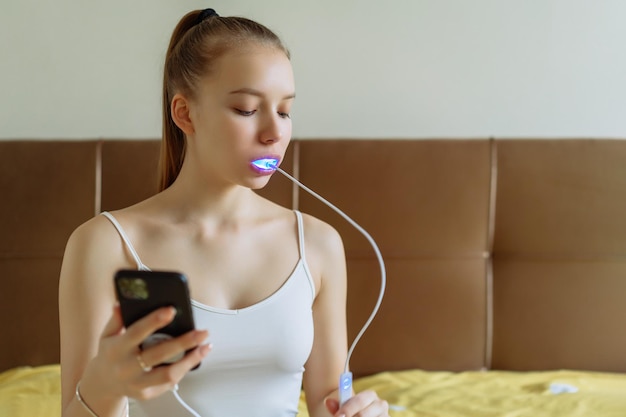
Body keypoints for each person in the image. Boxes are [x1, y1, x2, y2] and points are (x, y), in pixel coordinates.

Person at [58, 8, 389, 417]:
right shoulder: (105, 245)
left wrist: (355, 412)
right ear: (185, 113)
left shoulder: (318, 245)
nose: (274, 132)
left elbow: (329, 402)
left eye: (284, 110)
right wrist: (103, 386)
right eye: (248, 110)